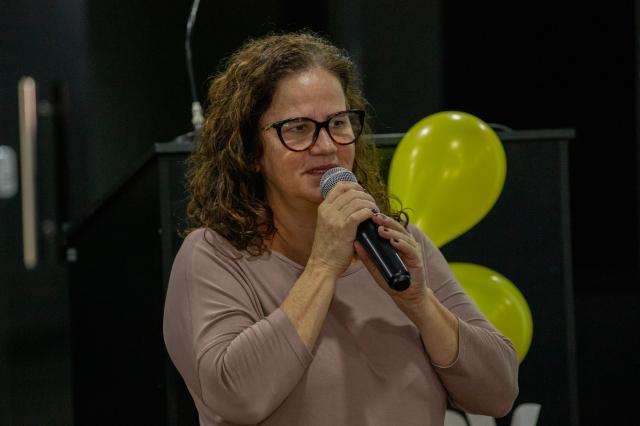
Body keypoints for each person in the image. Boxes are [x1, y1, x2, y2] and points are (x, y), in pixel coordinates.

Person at [163, 31, 518, 426]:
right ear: (250, 152)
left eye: (338, 123)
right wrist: (322, 266)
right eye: (298, 128)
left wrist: (420, 304)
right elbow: (236, 398)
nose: (326, 146)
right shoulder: (214, 255)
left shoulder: (398, 245)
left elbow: (499, 391)